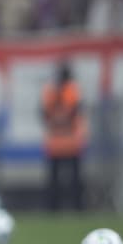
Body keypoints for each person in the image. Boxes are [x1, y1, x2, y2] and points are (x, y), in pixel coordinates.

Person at [40, 60, 87, 210]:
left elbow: (45, 114)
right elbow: (75, 111)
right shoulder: (72, 90)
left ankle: (57, 208)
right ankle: (74, 208)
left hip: (62, 142)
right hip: (67, 142)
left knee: (62, 180)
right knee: (69, 180)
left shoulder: (55, 91)